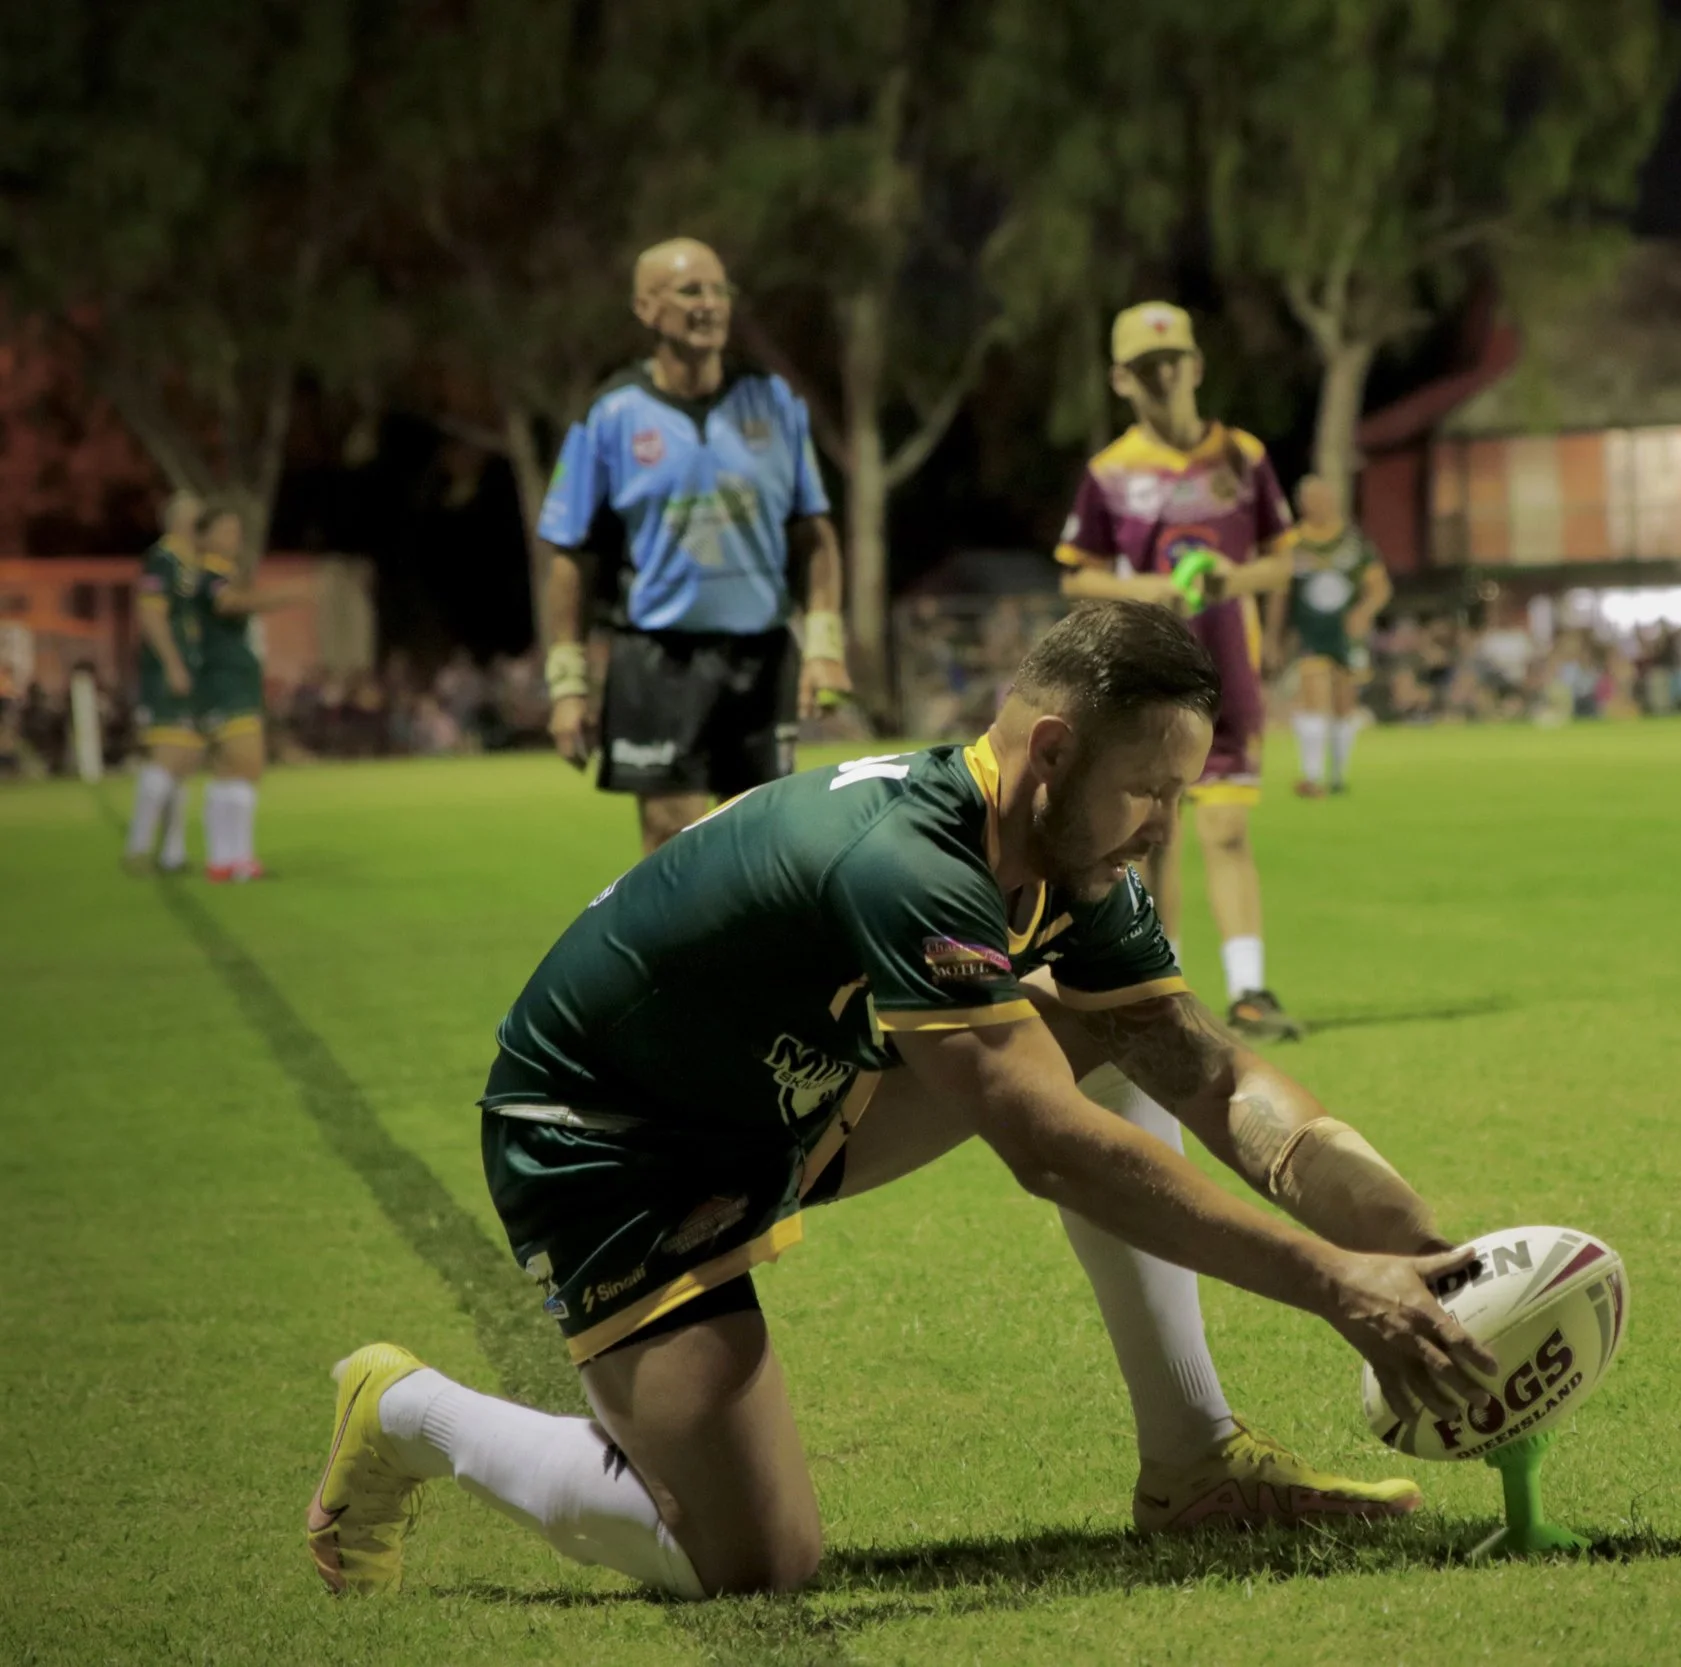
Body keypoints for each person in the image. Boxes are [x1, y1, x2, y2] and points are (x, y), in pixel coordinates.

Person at [307, 603, 1490, 1599]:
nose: (1161, 830)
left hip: (790, 1091)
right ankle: (411, 1410)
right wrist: (1334, 1286)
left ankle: (1194, 1463)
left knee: (1125, 1034)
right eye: (1146, 792)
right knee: (754, 1559)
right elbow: (1051, 1149)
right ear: (1050, 750)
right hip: (611, 1143)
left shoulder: (1065, 859)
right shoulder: (909, 858)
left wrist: (1427, 1255)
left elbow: (1215, 1070)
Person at [537, 238, 851, 855]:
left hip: (760, 657)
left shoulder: (774, 401)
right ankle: (679, 955)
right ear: (647, 308)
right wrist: (567, 683)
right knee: (670, 837)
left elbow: (814, 536)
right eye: (690, 291)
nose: (709, 304)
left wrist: (824, 646)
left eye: (718, 290)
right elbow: (569, 558)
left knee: (759, 840)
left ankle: (752, 955)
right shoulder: (610, 416)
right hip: (658, 659)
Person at [1055, 302, 1303, 1040]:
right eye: (1145, 368)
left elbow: (1282, 561)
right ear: (1120, 379)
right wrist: (1144, 592)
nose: (1164, 378)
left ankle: (1251, 988)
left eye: (1174, 362)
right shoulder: (1110, 473)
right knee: (1152, 836)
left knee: (1226, 830)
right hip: (1148, 684)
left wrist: (1236, 578)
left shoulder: (1244, 458)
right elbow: (1076, 577)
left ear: (1196, 365)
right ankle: (1162, 987)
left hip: (1229, 674)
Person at [188, 502, 310, 881]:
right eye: (225, 529)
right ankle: (239, 859)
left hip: (224, 683)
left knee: (228, 772)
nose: (234, 537)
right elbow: (230, 603)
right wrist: (286, 595)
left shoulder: (216, 576)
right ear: (204, 537)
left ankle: (224, 861)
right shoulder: (211, 578)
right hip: (227, 684)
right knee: (246, 766)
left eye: (235, 529)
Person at [1276, 475, 1391, 797]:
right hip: (1311, 632)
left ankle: (1338, 775)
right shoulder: (1293, 543)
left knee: (1344, 703)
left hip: (1347, 634)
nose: (1318, 504)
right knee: (1313, 694)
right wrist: (1276, 634)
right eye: (1311, 498)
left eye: (1323, 497)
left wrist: (1363, 612)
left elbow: (1379, 588)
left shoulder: (1352, 543)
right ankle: (1311, 776)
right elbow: (1280, 592)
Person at [124, 492, 210, 873]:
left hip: (192, 668)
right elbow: (151, 614)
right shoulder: (162, 559)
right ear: (177, 521)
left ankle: (172, 852)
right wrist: (173, 664)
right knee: (167, 757)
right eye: (197, 518)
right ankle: (138, 848)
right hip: (170, 670)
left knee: (185, 760)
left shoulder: (192, 563)